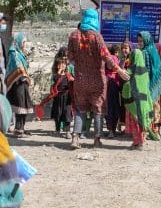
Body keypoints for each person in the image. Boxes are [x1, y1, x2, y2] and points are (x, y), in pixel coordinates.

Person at [66, 8, 126, 149]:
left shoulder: (73, 36)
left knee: (80, 109)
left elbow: (69, 57)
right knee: (98, 109)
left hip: (80, 80)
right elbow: (106, 56)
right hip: (97, 81)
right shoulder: (97, 37)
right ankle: (97, 140)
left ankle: (75, 138)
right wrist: (118, 69)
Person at [121, 40, 153, 150]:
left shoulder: (131, 69)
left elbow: (127, 82)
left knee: (136, 121)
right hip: (143, 102)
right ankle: (138, 142)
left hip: (134, 101)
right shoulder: (144, 70)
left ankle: (139, 143)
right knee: (141, 119)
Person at [4, 32, 35, 136]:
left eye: (25, 42)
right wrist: (25, 76)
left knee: (24, 106)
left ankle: (22, 127)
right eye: (23, 42)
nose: (25, 44)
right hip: (17, 84)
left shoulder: (20, 53)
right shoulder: (13, 53)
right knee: (19, 106)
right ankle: (18, 129)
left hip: (23, 83)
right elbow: (18, 68)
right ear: (18, 42)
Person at [138, 31, 161, 138]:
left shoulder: (144, 53)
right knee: (155, 107)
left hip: (148, 84)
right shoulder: (153, 51)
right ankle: (155, 130)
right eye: (138, 41)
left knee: (148, 108)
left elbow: (143, 70)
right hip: (156, 84)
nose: (139, 43)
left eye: (141, 41)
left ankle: (149, 131)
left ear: (146, 40)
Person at [48, 48, 74, 136]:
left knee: (67, 113)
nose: (63, 64)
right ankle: (58, 129)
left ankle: (67, 131)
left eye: (64, 62)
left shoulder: (69, 70)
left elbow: (72, 80)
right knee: (57, 112)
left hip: (67, 96)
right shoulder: (56, 70)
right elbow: (54, 80)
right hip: (58, 95)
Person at [105, 44, 124, 137]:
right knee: (114, 107)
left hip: (106, 84)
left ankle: (110, 130)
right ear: (116, 52)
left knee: (108, 107)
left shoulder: (106, 58)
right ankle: (112, 130)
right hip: (114, 85)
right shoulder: (115, 58)